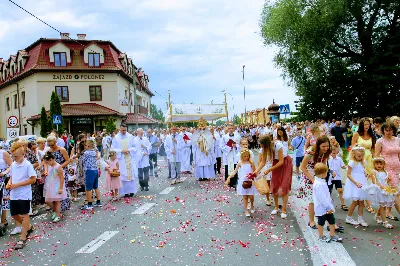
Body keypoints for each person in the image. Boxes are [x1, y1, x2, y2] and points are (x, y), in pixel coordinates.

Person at [297, 136, 331, 229]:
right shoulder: (310, 153)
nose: (325, 148)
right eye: (323, 146)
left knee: (323, 198)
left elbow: (323, 164)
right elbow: (303, 167)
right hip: (308, 177)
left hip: (319, 177)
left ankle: (329, 222)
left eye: (327, 146)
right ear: (318, 145)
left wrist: (326, 174)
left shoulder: (326, 152)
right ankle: (311, 221)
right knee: (312, 200)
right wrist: (312, 179)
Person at [7, 142, 36, 249]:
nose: (14, 158)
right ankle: (28, 226)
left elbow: (33, 179)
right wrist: (9, 183)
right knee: (14, 215)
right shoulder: (13, 164)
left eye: (16, 156)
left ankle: (22, 238)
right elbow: (11, 177)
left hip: (24, 193)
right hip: (14, 193)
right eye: (13, 156)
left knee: (25, 214)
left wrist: (18, 184)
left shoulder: (27, 165)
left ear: (22, 154)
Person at [374, 122, 400, 221]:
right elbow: (376, 156)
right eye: (386, 130)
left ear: (393, 130)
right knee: (396, 192)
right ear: (383, 130)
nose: (388, 132)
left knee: (390, 193)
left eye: (390, 130)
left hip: (397, 167)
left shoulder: (398, 140)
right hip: (387, 169)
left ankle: (378, 215)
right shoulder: (380, 141)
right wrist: (379, 170)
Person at [312, 163, 343, 243]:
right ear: (323, 174)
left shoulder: (321, 181)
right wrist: (329, 207)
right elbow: (322, 198)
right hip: (322, 207)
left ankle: (332, 235)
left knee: (332, 221)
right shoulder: (318, 184)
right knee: (321, 222)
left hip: (327, 206)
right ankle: (321, 236)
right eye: (326, 172)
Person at [352, 117, 376, 214]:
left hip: (369, 158)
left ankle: (366, 200)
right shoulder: (357, 134)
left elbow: (373, 148)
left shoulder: (371, 135)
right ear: (361, 125)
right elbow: (353, 147)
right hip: (360, 158)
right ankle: (367, 203)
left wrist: (375, 159)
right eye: (365, 124)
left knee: (369, 180)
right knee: (362, 179)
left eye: (368, 124)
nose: (367, 126)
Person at [225, 149, 256, 217]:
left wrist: (252, 175)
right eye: (244, 156)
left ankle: (252, 205)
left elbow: (255, 171)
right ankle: (246, 210)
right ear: (241, 156)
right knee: (244, 196)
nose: (246, 157)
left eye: (247, 156)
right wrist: (229, 177)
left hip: (250, 180)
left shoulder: (251, 163)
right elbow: (235, 171)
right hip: (242, 181)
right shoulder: (240, 163)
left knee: (251, 196)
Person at [111, 124, 138, 198]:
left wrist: (129, 150)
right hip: (121, 159)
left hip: (129, 157)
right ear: (119, 129)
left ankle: (132, 191)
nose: (124, 132)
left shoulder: (130, 136)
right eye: (122, 130)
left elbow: (134, 147)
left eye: (125, 130)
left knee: (130, 175)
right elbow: (113, 148)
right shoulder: (116, 138)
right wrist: (121, 151)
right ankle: (125, 192)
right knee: (123, 176)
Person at [344, 145, 369, 227]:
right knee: (355, 202)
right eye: (359, 156)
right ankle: (349, 217)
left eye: (362, 156)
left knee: (362, 202)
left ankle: (360, 218)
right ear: (353, 154)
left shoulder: (362, 162)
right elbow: (348, 174)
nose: (361, 157)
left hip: (362, 183)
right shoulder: (352, 162)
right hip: (355, 184)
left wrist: (365, 173)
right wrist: (356, 183)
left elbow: (362, 170)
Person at [367, 157, 394, 229]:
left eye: (380, 164)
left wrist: (388, 181)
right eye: (377, 164)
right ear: (374, 165)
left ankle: (377, 216)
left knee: (383, 205)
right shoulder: (375, 172)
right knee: (383, 206)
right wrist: (383, 187)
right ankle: (385, 222)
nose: (379, 165)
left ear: (384, 164)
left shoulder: (386, 172)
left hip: (385, 190)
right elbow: (375, 182)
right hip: (379, 190)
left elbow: (386, 181)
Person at [47, 135, 71, 212]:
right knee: (54, 189)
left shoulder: (62, 150)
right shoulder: (49, 151)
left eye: (52, 145)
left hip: (62, 171)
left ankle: (63, 207)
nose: (51, 147)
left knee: (62, 188)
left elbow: (67, 160)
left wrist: (60, 167)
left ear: (55, 142)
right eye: (49, 145)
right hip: (53, 173)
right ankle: (56, 208)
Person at [43, 152, 67, 222]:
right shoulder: (49, 165)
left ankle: (57, 214)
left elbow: (62, 178)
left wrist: (61, 188)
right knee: (47, 200)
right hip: (50, 184)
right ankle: (56, 211)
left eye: (47, 162)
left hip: (57, 185)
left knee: (57, 201)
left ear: (51, 160)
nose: (47, 164)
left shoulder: (58, 167)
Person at [80, 140, 102, 210]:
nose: (84, 146)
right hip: (95, 170)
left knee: (88, 188)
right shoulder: (94, 152)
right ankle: (98, 201)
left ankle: (89, 204)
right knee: (96, 186)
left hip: (89, 171)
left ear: (88, 146)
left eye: (85, 145)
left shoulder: (86, 153)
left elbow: (82, 160)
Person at [0, 143, 12, 227]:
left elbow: (12, 165)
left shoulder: (3, 153)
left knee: (3, 198)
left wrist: (5, 172)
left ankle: (3, 220)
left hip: (2, 177)